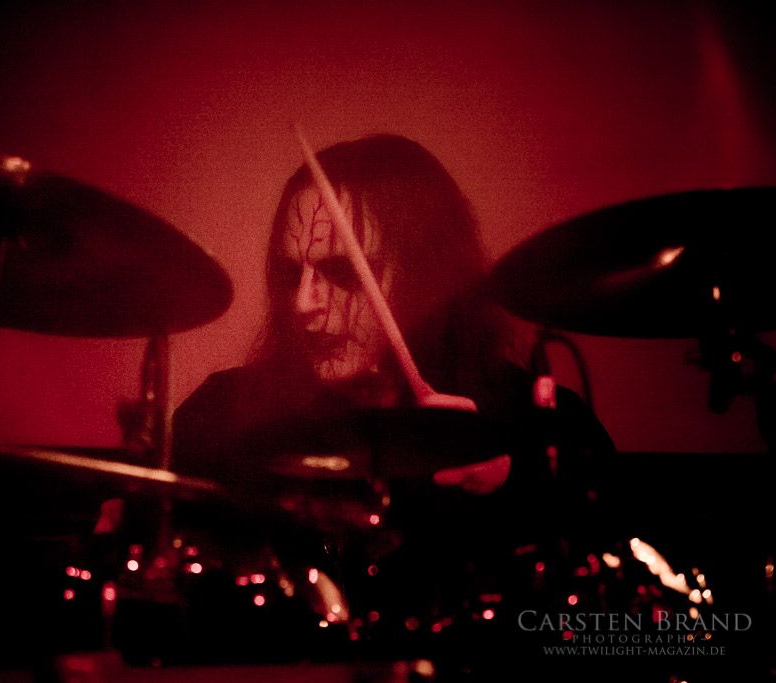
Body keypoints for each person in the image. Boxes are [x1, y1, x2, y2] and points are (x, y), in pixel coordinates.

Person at [169, 134, 616, 674]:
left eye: (342, 272)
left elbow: (618, 632)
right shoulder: (221, 416)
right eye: (290, 275)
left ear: (427, 274)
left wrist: (508, 491)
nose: (304, 303)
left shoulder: (544, 424)